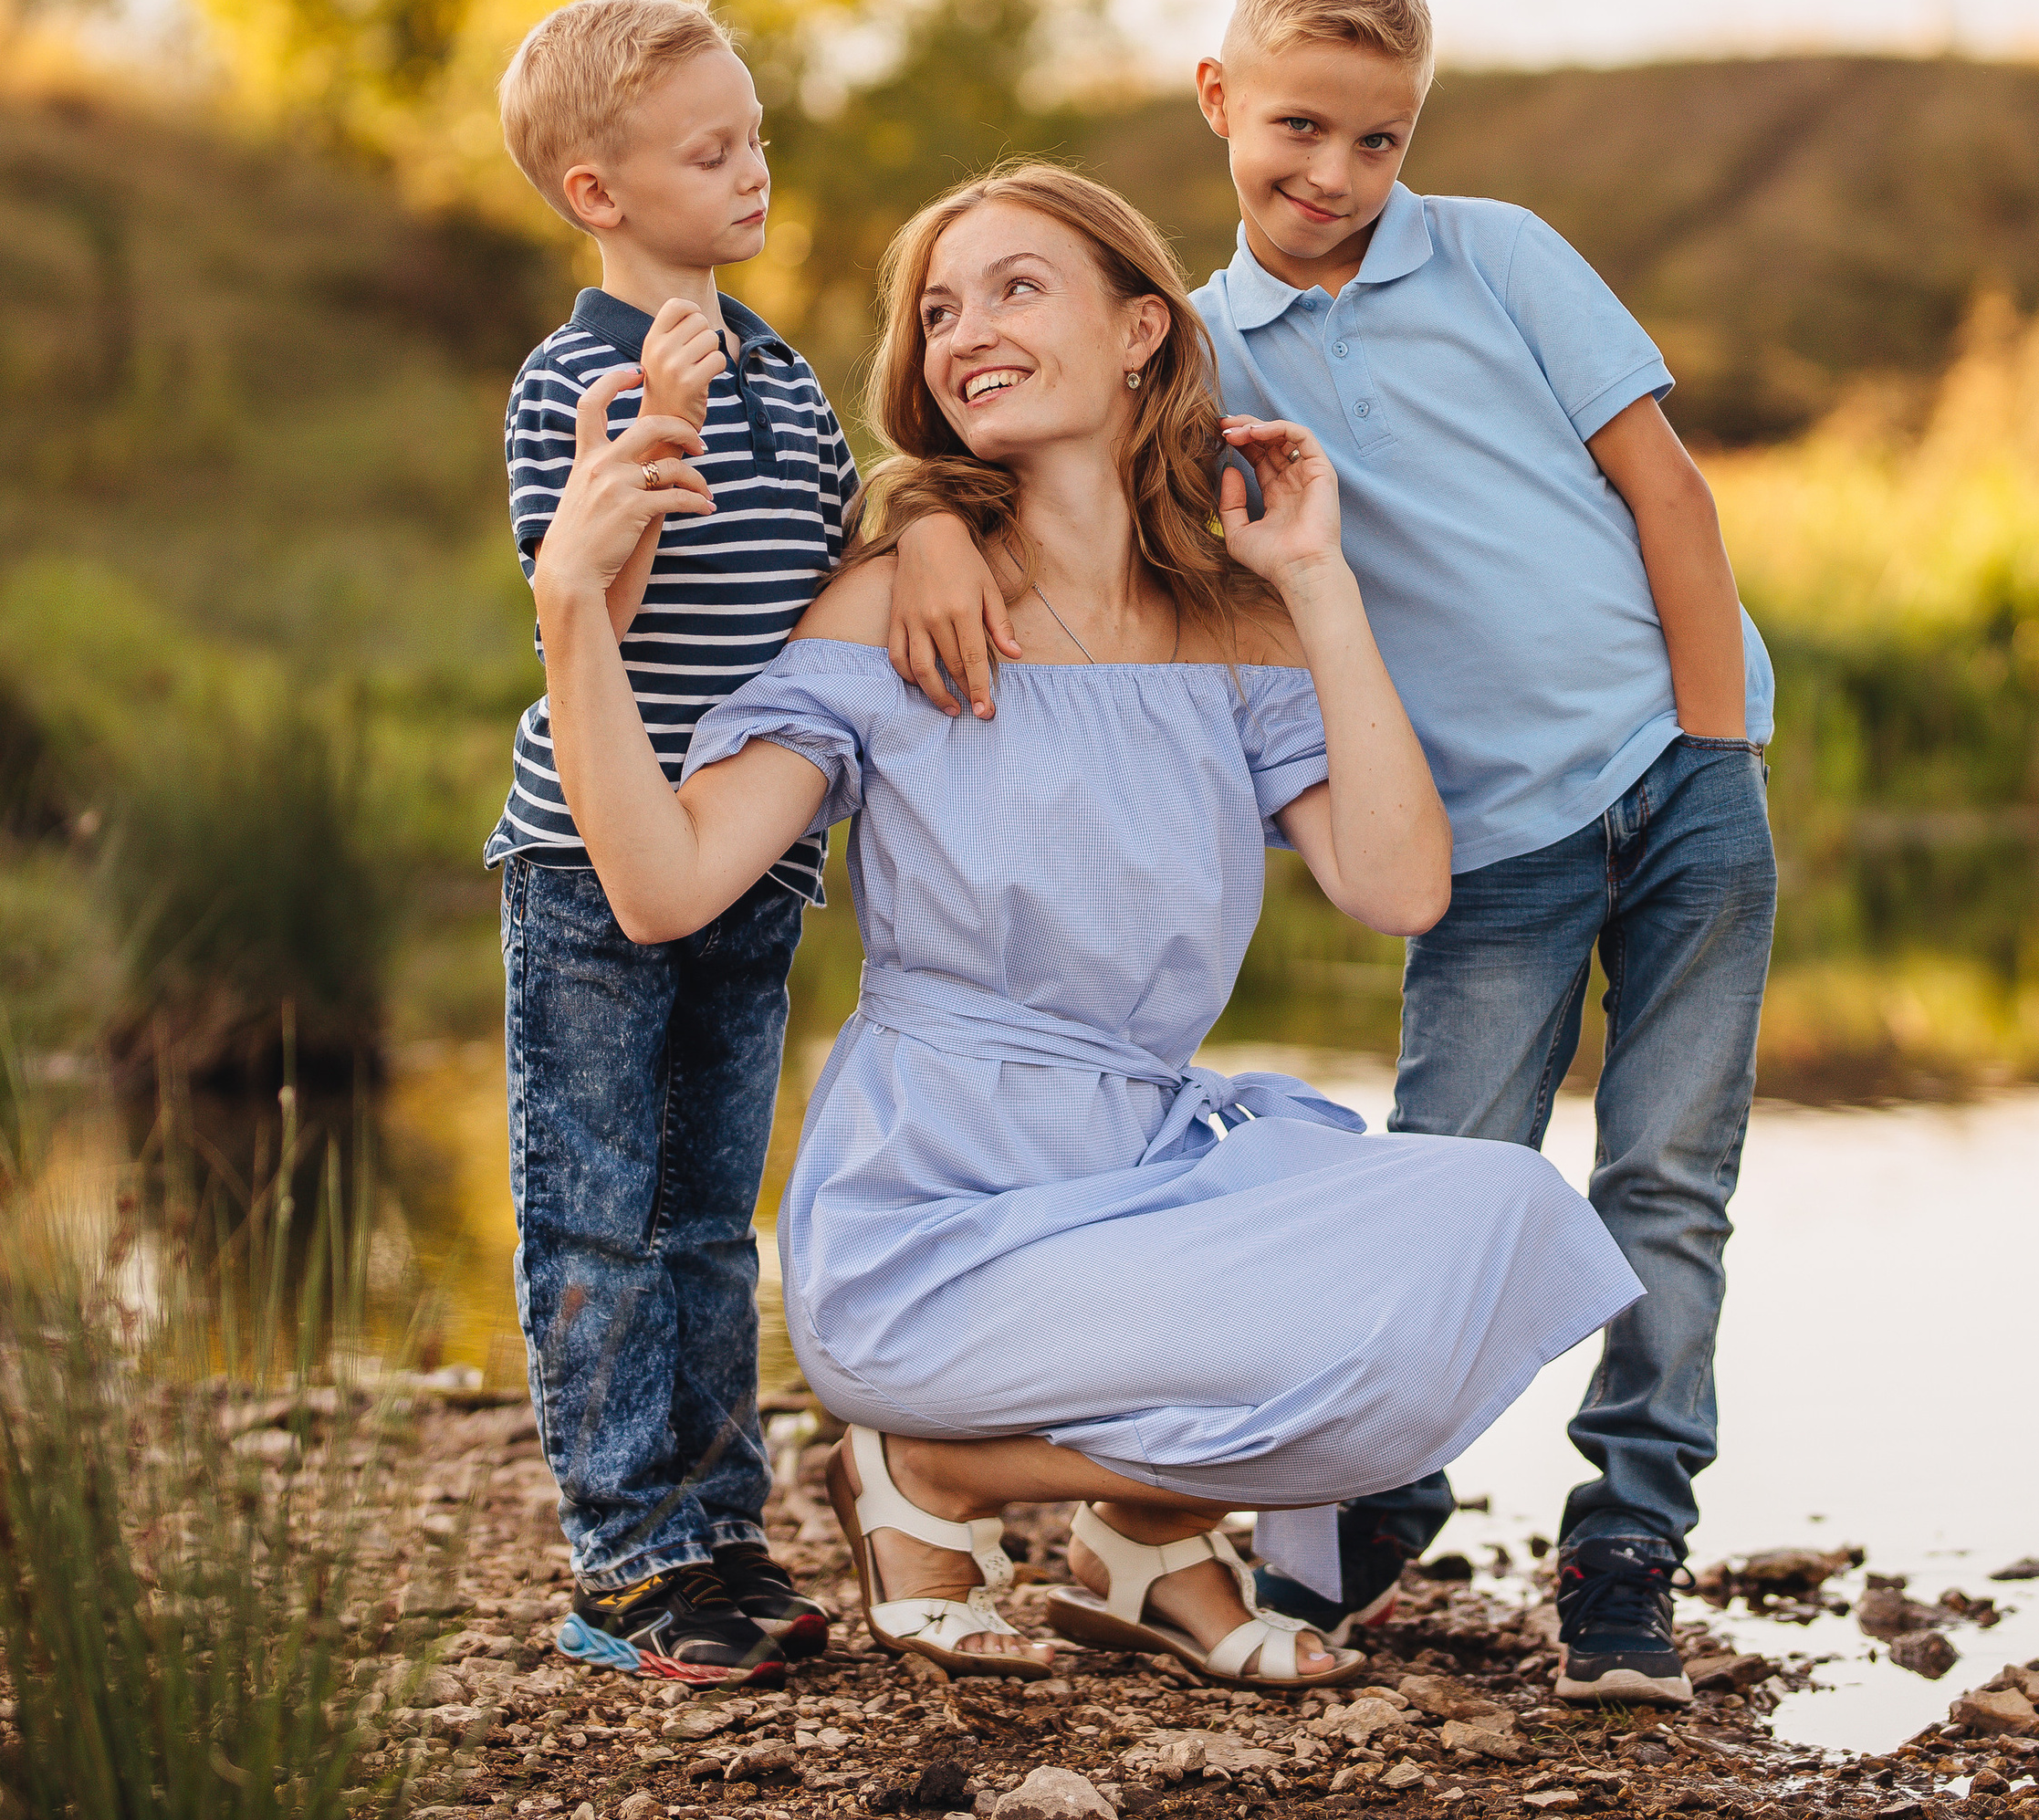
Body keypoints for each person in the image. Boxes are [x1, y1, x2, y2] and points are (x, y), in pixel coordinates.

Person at [531, 163, 1640, 1687]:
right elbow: (663, 887)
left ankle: (1137, 1534)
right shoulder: (893, 607)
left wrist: (1316, 589)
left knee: (1507, 1231)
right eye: (935, 311)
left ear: (1140, 332)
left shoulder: (1234, 629)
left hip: (1150, 1177)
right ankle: (936, 1474)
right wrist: (570, 608)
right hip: (932, 1220)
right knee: (1356, 1339)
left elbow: (1400, 890)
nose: (963, 332)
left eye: (1012, 288)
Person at [886, 0, 1777, 1706]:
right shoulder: (1188, 356)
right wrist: (916, 519)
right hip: (1481, 850)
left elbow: (1656, 485)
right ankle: (1364, 1509)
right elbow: (1008, 451)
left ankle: (1621, 1553)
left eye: (1378, 142)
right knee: (1436, 1179)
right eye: (1298, 129)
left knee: (1666, 1181)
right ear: (1216, 101)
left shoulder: (1501, 253)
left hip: (1678, 783)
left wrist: (1708, 746)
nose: (1335, 178)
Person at [487, 0, 856, 1685]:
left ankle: (723, 1531)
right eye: (712, 153)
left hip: (758, 864)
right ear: (598, 193)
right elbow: (591, 624)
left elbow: (839, 579)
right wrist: (648, 446)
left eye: (756, 137)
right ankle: (626, 1555)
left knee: (713, 1209)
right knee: (596, 1210)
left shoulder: (790, 377)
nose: (752, 171)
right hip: (588, 860)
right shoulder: (568, 384)